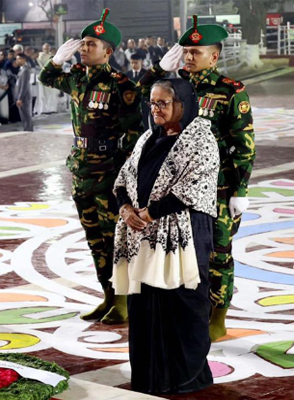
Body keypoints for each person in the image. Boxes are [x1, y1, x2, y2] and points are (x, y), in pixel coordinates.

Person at [139, 16, 256, 340]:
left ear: (214, 56)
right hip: (176, 188)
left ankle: (218, 315)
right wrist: (160, 69)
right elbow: (139, 95)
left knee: (218, 253)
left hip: (218, 189)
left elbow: (244, 144)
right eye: (186, 51)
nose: (189, 57)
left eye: (196, 52)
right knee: (182, 250)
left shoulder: (230, 91)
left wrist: (240, 190)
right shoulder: (175, 88)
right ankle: (191, 310)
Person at [113, 78, 219, 394]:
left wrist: (149, 213)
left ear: (182, 106)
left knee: (182, 303)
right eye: (153, 103)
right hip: (143, 236)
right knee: (145, 305)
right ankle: (150, 376)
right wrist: (125, 208)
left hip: (183, 235)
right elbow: (124, 178)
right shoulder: (149, 137)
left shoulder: (200, 140)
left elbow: (195, 185)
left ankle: (185, 377)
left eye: (163, 103)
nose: (156, 109)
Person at [38, 8, 144, 324]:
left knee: (116, 238)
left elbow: (135, 133)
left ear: (108, 52)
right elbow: (47, 77)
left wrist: (124, 174)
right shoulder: (75, 78)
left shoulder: (120, 85)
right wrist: (56, 60)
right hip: (82, 169)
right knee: (94, 239)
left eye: (91, 45)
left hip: (109, 173)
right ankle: (107, 297)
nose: (84, 49)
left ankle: (123, 300)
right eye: (83, 44)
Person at [36, 43, 57, 114]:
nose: (46, 50)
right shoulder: (40, 56)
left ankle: (52, 108)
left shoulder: (52, 56)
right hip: (44, 76)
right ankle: (44, 109)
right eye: (45, 48)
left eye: (48, 48)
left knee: (52, 94)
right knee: (44, 94)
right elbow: (41, 66)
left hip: (51, 77)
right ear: (43, 49)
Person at [14, 54, 32, 132]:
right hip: (20, 96)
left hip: (24, 97)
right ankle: (26, 129)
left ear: (24, 59)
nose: (17, 61)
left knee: (26, 115)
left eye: (19, 59)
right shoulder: (21, 69)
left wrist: (20, 98)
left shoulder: (25, 70)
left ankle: (28, 130)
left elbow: (24, 85)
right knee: (23, 115)